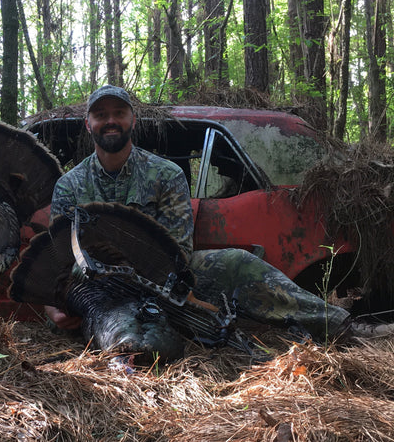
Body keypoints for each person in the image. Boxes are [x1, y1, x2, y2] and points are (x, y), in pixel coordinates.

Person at [45, 84, 389, 341]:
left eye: (118, 113)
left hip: (163, 279)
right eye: (101, 115)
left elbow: (177, 250)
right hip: (96, 292)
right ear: (88, 124)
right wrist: (53, 304)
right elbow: (58, 263)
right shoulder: (69, 186)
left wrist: (137, 278)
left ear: (132, 120)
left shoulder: (165, 174)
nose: (110, 121)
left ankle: (341, 326)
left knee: (237, 263)